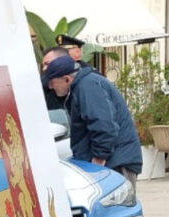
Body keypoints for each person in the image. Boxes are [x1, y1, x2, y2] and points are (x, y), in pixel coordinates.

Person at [43, 55, 142, 189]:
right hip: (113, 161)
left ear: (67, 79)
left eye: (52, 83)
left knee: (115, 208)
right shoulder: (85, 85)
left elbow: (104, 125)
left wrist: (99, 159)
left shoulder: (87, 86)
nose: (50, 87)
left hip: (115, 163)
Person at [40, 46, 74, 111]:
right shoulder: (41, 87)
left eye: (47, 64)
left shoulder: (83, 85)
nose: (44, 69)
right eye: (43, 65)